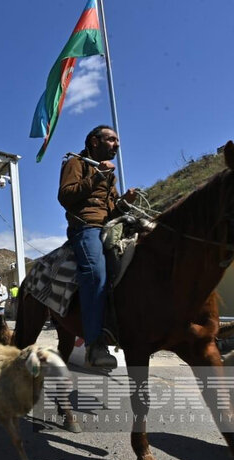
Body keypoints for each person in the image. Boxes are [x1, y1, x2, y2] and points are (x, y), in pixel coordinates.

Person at [58, 125, 136, 369]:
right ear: (94, 141)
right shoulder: (75, 163)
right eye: (111, 140)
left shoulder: (109, 174)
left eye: (117, 140)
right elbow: (65, 196)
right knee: (95, 273)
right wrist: (98, 176)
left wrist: (124, 203)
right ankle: (94, 343)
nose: (117, 144)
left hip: (110, 226)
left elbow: (111, 210)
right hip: (86, 228)